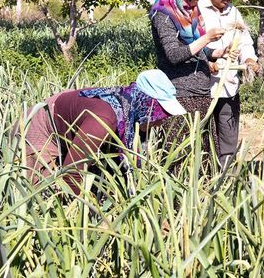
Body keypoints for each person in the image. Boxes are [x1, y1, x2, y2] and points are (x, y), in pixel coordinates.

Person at [22, 70, 187, 195]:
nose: (161, 121)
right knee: (41, 194)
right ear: (145, 104)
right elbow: (72, 172)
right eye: (160, 113)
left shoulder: (131, 114)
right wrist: (94, 215)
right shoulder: (103, 120)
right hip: (43, 125)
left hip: (74, 126)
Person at [149, 0, 231, 160]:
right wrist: (206, 38)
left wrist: (216, 52)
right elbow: (174, 55)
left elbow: (195, 50)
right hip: (181, 97)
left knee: (203, 159)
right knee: (182, 158)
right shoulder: (163, 15)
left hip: (201, 95)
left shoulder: (190, 13)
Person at [198, 0, 260, 167]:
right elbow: (188, 45)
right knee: (202, 137)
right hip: (203, 88)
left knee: (227, 138)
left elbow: (244, 43)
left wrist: (250, 60)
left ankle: (226, 181)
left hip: (229, 87)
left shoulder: (234, 13)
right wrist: (207, 63)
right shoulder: (196, 9)